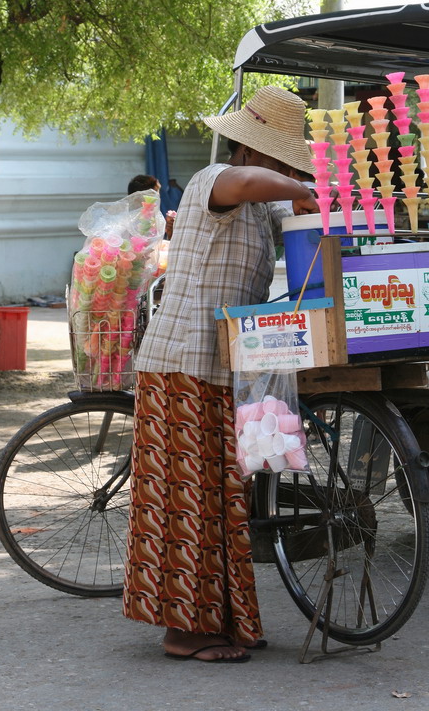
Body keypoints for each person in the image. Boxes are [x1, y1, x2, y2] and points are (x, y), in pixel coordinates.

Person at [122, 86, 318, 663]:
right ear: (259, 153)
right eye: (284, 162)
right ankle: (182, 630)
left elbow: (293, 212)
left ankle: (222, 620)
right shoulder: (218, 180)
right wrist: (301, 187)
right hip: (181, 363)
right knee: (185, 499)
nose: (288, 173)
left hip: (222, 367)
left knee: (220, 496)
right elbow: (249, 184)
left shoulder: (264, 205)